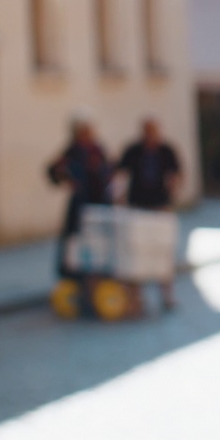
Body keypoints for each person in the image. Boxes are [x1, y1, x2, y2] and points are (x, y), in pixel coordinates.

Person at [115, 117, 182, 309]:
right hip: (138, 207)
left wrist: (173, 195)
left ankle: (167, 296)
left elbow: (176, 174)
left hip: (160, 207)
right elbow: (121, 174)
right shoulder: (133, 150)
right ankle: (137, 298)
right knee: (137, 253)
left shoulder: (166, 150)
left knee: (163, 253)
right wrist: (119, 197)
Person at [46, 115, 113, 279]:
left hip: (99, 201)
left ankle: (98, 273)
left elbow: (109, 170)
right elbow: (54, 170)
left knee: (98, 240)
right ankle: (74, 273)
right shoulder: (72, 150)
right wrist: (66, 180)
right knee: (75, 240)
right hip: (81, 202)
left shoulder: (97, 149)